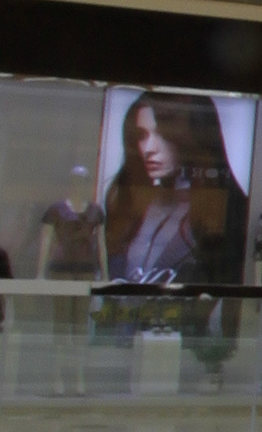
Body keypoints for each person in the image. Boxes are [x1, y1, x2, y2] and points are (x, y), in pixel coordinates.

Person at [102, 91, 246, 298]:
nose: (148, 149)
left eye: (161, 133)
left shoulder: (224, 210)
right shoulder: (129, 204)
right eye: (142, 136)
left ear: (191, 135)